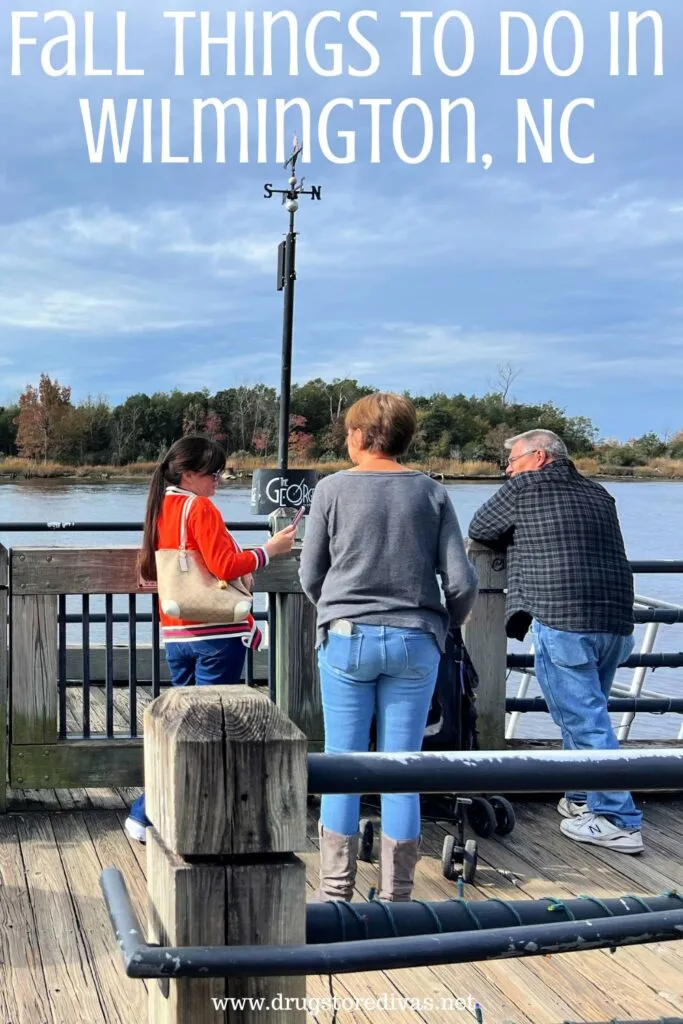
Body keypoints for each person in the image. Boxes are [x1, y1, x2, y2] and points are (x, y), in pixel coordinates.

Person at [299, 393, 479, 901]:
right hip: (416, 640)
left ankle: (336, 894)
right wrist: (447, 627)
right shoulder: (432, 493)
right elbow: (462, 581)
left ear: (357, 437)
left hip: (347, 637)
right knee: (405, 765)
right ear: (405, 439)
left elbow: (311, 572)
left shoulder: (331, 490)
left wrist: (334, 608)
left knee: (342, 761)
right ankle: (399, 896)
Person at [468, 428, 643, 854]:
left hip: (564, 618)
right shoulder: (599, 492)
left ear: (539, 457)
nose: (507, 470)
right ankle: (583, 796)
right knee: (588, 714)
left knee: (584, 721)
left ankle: (618, 819)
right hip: (615, 620)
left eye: (511, 461)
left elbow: (480, 526)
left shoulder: (525, 487)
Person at [124, 435, 296, 843]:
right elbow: (223, 564)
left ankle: (161, 812)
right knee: (209, 731)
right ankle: (148, 812)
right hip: (216, 633)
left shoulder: (161, 506)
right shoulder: (198, 507)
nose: (220, 480)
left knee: (185, 727)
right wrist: (271, 549)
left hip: (178, 632)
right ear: (189, 475)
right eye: (213, 473)